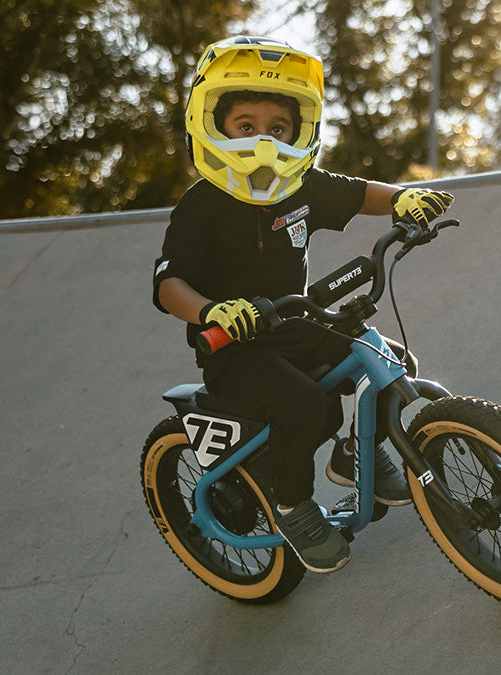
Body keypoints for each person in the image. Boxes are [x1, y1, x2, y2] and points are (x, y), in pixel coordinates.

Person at [151, 36, 454, 574]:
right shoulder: (202, 206)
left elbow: (361, 193)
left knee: (389, 362)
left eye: (278, 128)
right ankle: (292, 507)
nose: (263, 141)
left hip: (298, 324)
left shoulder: (301, 187)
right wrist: (211, 312)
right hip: (235, 350)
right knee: (308, 409)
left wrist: (402, 198)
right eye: (245, 125)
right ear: (212, 125)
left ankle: (354, 455)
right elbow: (169, 283)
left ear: (300, 132)